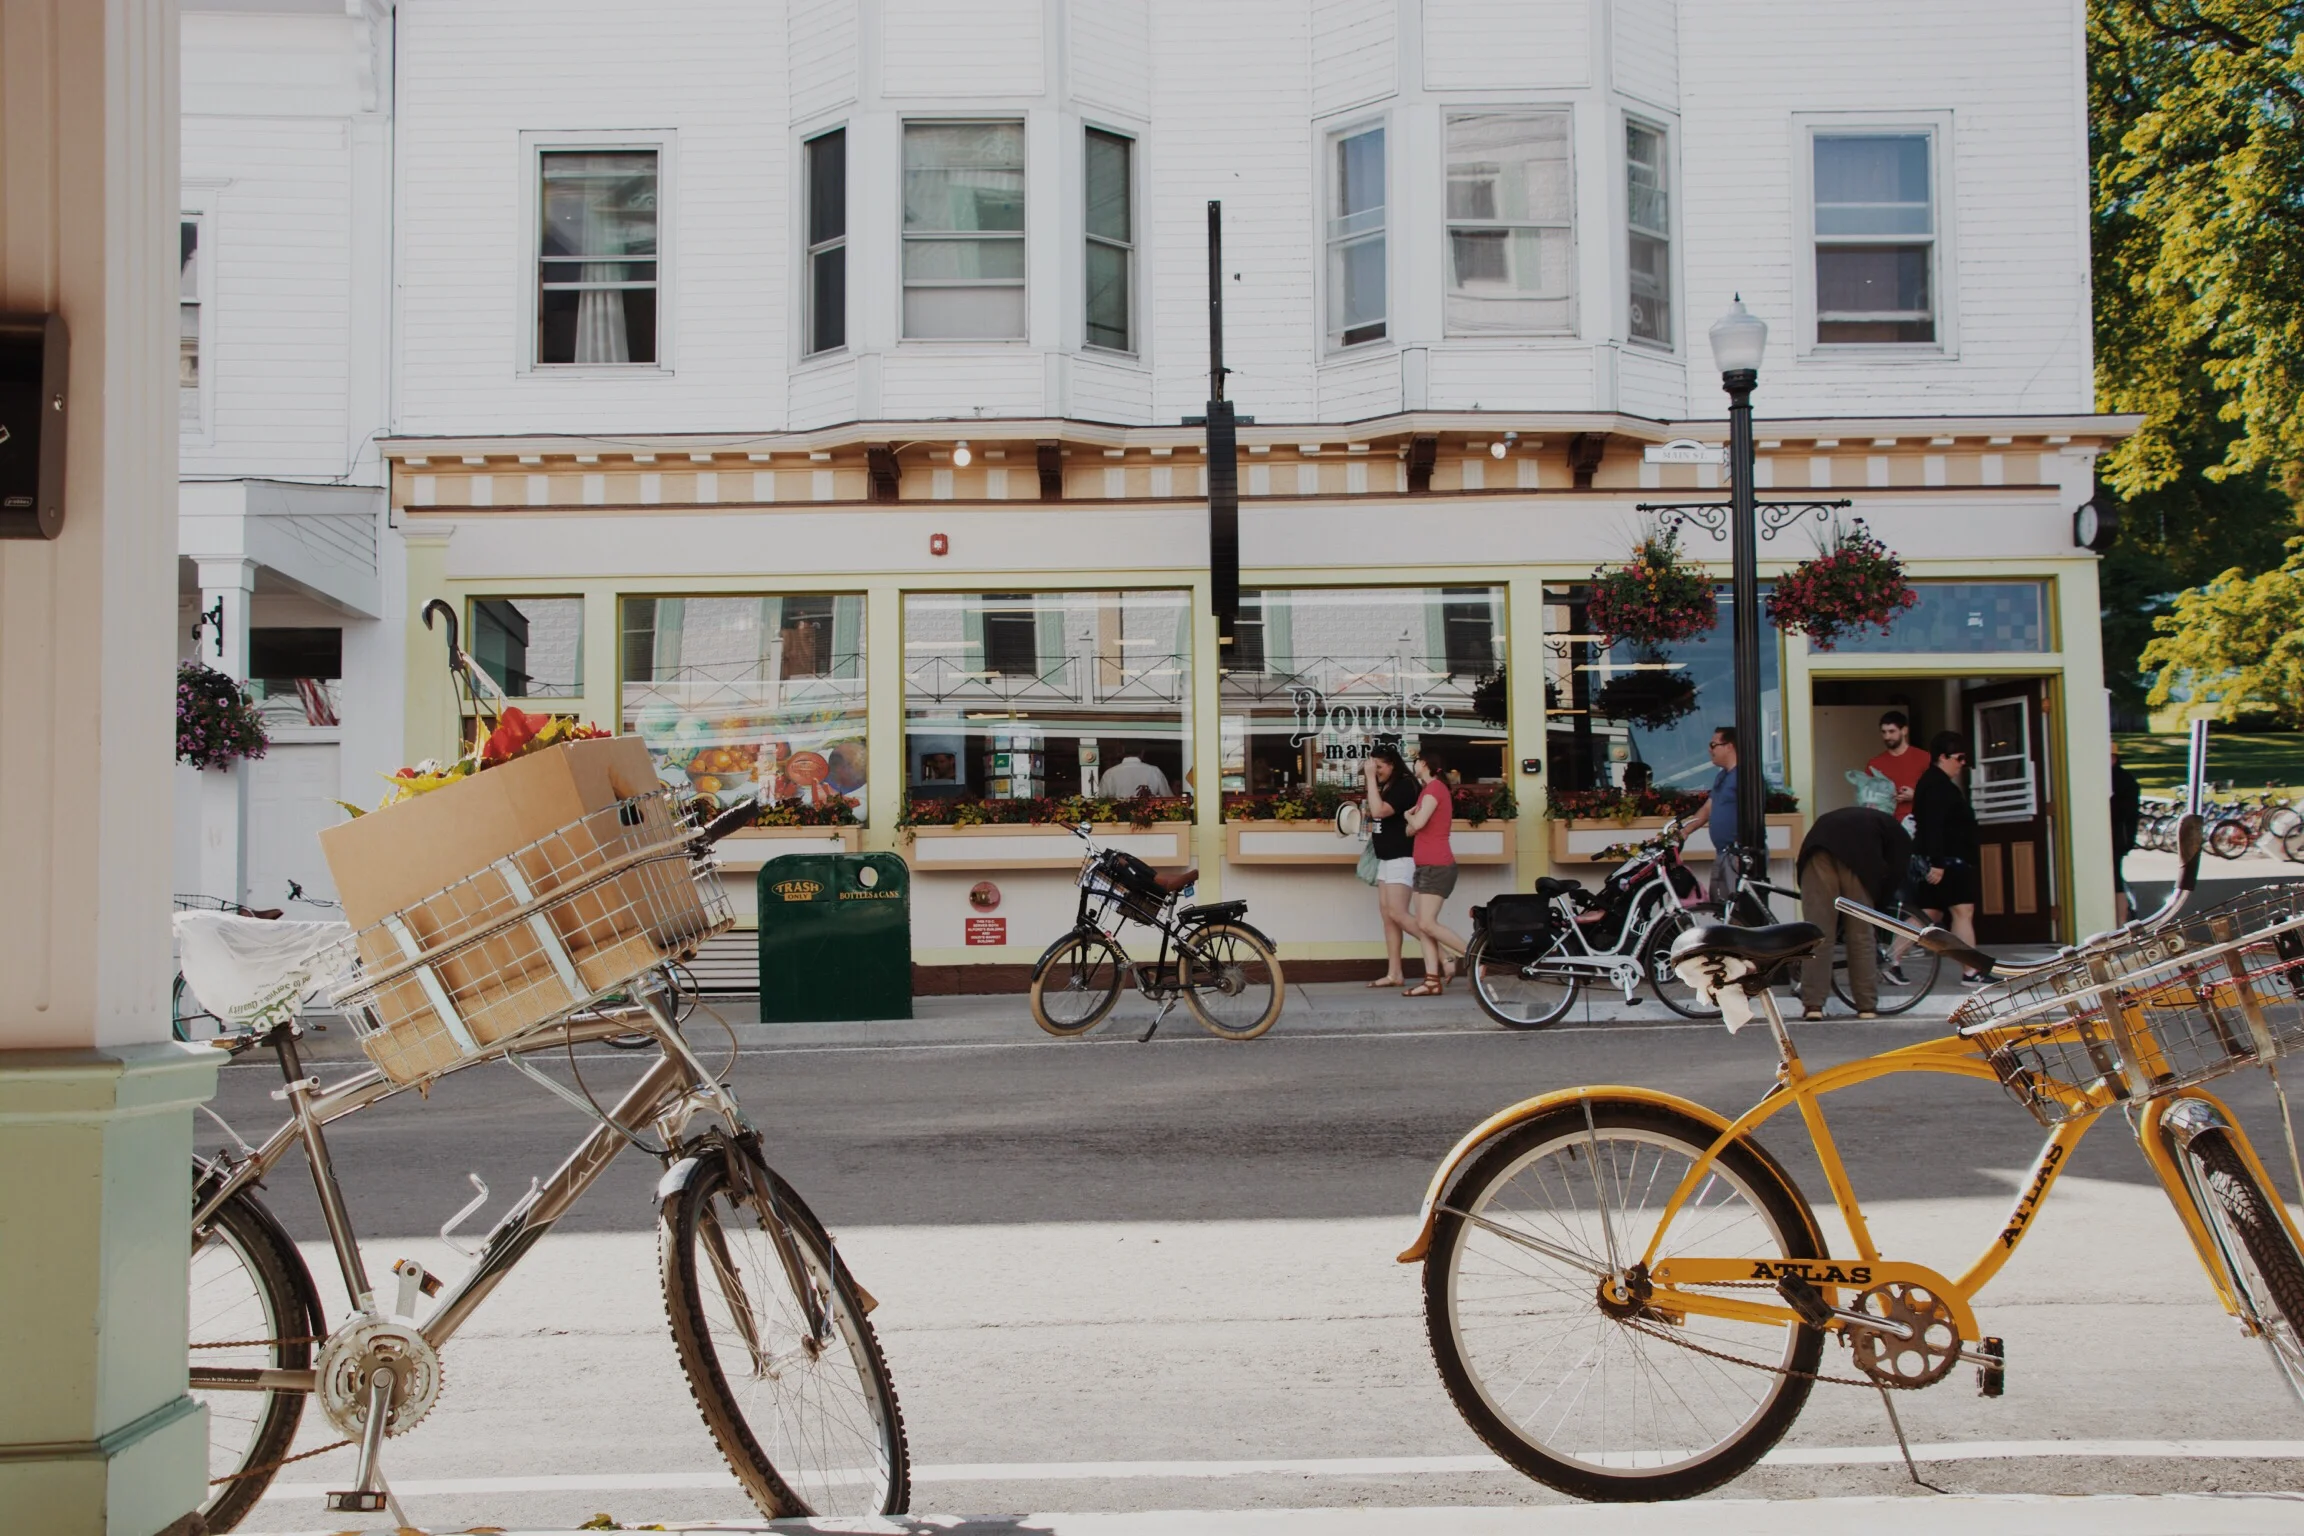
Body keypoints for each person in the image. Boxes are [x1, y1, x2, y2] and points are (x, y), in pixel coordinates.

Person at [1793, 806, 1914, 1021]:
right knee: (1861, 936)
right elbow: (1894, 875)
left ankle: (1813, 1005)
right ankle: (1866, 1006)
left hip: (1817, 850)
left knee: (1818, 935)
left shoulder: (1865, 818)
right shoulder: (1900, 836)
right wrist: (1878, 904)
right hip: (1860, 863)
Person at [1913, 730, 1985, 981]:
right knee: (1962, 912)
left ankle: (1891, 959)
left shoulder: (1932, 783)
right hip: (1948, 862)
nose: (1963, 764)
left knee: (1928, 914)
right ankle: (1971, 969)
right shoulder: (1938, 786)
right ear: (1943, 757)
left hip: (1942, 860)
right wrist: (1938, 862)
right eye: (1960, 757)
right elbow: (1934, 826)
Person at [1401, 747, 1468, 996]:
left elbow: (1416, 825)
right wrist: (1412, 822)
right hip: (1425, 866)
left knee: (1427, 923)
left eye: (1417, 760)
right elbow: (1413, 830)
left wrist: (1409, 816)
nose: (1415, 764)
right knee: (1423, 924)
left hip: (1436, 866)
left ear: (1426, 764)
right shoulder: (1427, 792)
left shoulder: (1434, 790)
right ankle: (1431, 980)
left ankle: (1476, 957)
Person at [1362, 745, 1421, 988]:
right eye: (1373, 768)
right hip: (1386, 858)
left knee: (1398, 913)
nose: (1376, 772)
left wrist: (1368, 779)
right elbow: (1373, 813)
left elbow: (1379, 810)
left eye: (1380, 767)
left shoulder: (1405, 785)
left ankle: (1445, 956)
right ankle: (1394, 973)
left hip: (1401, 857)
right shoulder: (1387, 786)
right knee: (1388, 916)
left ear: (1393, 764)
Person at [1681, 726, 1744, 907]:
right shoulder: (1722, 777)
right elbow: (1708, 808)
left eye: (1713, 744)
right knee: (1721, 905)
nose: (1710, 749)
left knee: (1738, 910)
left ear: (1729, 746)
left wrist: (1744, 848)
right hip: (1723, 853)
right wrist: (1685, 831)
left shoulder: (1745, 776)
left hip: (1738, 853)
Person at [1867, 711, 1929, 821]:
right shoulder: (1874, 764)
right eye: (1883, 732)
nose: (1887, 737)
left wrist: (1916, 795)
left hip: (1918, 824)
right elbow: (1867, 799)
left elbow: (1940, 795)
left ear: (1904, 730)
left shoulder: (1925, 758)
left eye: (1891, 731)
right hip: (1886, 825)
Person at [2111, 741, 2143, 923]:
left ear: (2114, 758)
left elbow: (2124, 812)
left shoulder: (2121, 780)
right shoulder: (2120, 779)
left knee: (2115, 880)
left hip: (2117, 838)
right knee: (2115, 879)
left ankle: (2120, 921)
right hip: (2119, 837)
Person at [1100, 752, 1171, 798]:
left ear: (1121, 750)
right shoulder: (1154, 771)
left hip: (1118, 820)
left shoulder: (1109, 774)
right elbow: (1169, 799)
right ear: (1142, 752)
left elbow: (1101, 801)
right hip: (1148, 819)